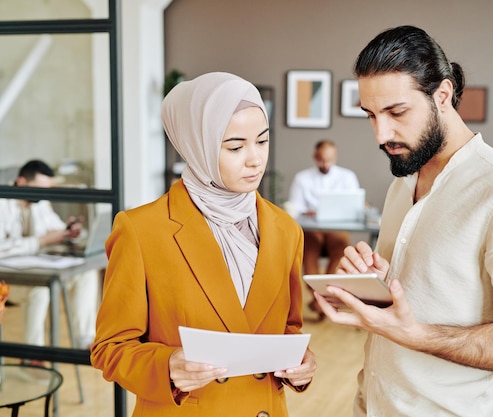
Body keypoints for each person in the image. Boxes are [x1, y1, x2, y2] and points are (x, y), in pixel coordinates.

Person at [314, 25, 493, 417]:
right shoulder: (403, 182)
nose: (382, 133)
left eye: (396, 112)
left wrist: (418, 335)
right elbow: (413, 301)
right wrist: (365, 287)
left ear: (442, 95)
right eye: (371, 115)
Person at [90, 72, 316, 416]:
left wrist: (301, 366)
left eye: (263, 141)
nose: (255, 159)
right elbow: (110, 348)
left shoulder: (285, 230)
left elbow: (287, 328)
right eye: (236, 147)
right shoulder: (141, 230)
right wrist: (168, 366)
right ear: (198, 145)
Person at [0, 159, 99, 350]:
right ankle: (33, 355)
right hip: (8, 280)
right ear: (21, 182)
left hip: (35, 269)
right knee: (40, 290)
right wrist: (40, 242)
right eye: (39, 188)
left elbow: (55, 227)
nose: (44, 194)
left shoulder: (39, 201)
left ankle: (85, 341)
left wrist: (70, 232)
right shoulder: (3, 201)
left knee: (85, 274)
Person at [287, 139, 360, 319]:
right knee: (308, 250)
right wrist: (307, 212)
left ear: (335, 158)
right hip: (312, 229)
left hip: (337, 227)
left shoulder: (347, 176)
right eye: (321, 160)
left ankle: (321, 299)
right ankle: (322, 299)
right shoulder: (302, 178)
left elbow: (354, 205)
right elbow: (295, 207)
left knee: (342, 248)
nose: (325, 164)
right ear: (315, 157)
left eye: (329, 160)